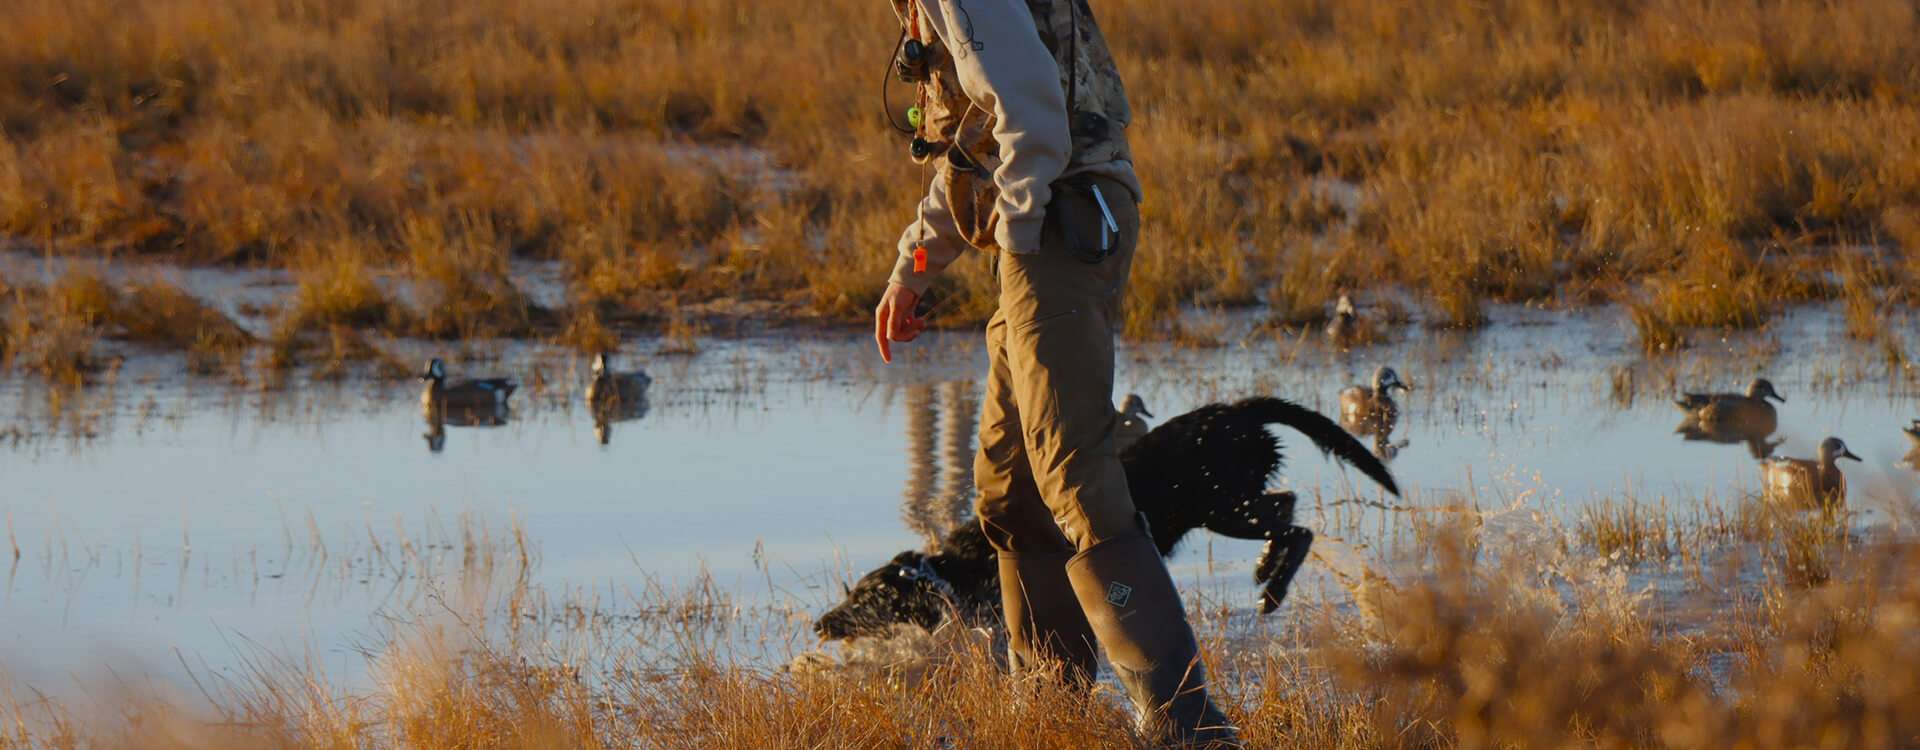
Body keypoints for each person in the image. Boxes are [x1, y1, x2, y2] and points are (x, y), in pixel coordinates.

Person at [871, 1, 1240, 745]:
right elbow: (972, 143)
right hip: (1047, 224)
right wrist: (913, 266)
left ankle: (1187, 723)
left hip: (1062, 221)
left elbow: (1031, 109)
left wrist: (1019, 238)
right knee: (1010, 488)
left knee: (1070, 468)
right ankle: (1049, 712)